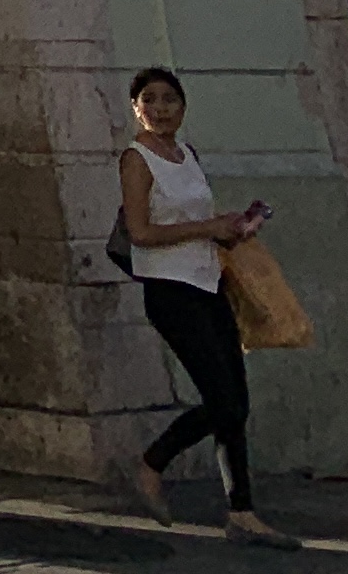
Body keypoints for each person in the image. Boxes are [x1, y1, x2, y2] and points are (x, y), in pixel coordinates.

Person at [120, 68, 289, 545]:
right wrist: (207, 228)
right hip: (170, 291)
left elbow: (199, 218)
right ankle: (152, 463)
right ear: (136, 108)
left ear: (183, 106)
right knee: (222, 401)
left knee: (237, 404)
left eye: (169, 99)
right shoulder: (136, 159)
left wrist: (233, 226)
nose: (159, 108)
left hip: (208, 283)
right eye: (148, 99)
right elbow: (141, 233)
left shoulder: (187, 154)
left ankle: (243, 513)